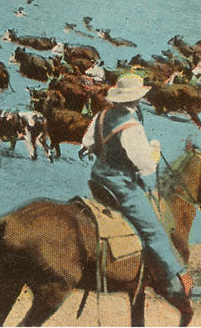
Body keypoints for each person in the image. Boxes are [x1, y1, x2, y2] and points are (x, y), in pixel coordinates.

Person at [80, 74, 193, 305]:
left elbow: (88, 144)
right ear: (137, 98)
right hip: (120, 186)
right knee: (155, 230)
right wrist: (154, 151)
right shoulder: (132, 126)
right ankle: (176, 281)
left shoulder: (101, 116)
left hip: (97, 180)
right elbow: (146, 168)